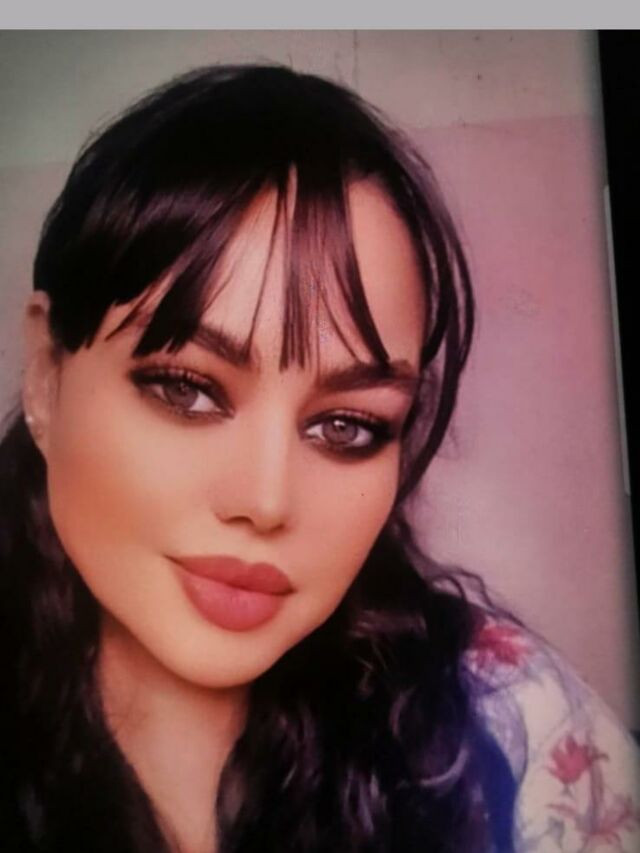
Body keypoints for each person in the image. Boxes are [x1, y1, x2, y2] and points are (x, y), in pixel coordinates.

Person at [0, 64, 637, 853]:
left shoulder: (514, 720)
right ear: (46, 375)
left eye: (346, 427)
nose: (266, 500)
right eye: (187, 389)